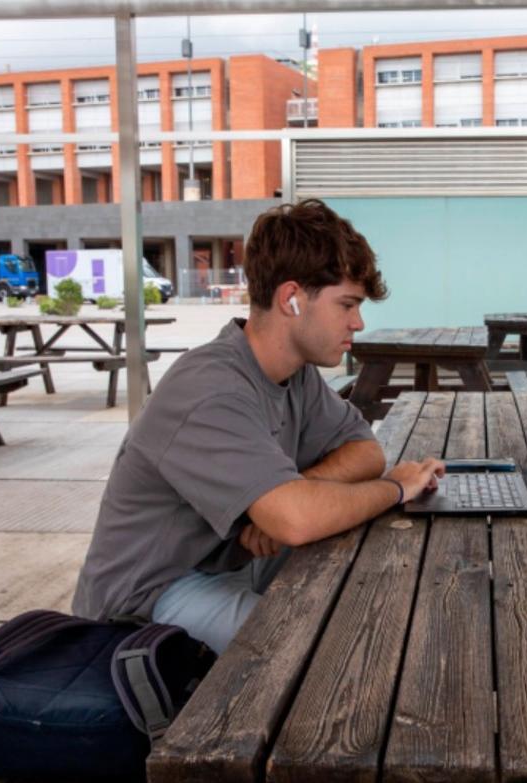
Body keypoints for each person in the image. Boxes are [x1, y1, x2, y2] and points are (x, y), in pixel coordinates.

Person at [72, 199, 444, 653]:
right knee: (335, 649)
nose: (358, 322)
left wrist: (292, 498)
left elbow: (366, 452)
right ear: (291, 298)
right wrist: (396, 489)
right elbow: (300, 519)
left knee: (376, 586)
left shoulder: (293, 373)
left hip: (231, 561)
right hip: (148, 598)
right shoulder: (210, 389)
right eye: (347, 304)